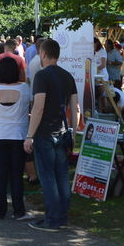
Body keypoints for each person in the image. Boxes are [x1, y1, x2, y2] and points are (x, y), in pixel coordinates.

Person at [24, 38, 80, 232]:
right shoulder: (68, 76)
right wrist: (73, 132)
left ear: (44, 54)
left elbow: (38, 107)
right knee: (62, 176)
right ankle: (61, 217)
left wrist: (29, 135)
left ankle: (52, 220)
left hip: (45, 133)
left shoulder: (41, 76)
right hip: (62, 132)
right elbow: (76, 108)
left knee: (48, 177)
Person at [0, 56, 33, 220]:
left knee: (0, 173)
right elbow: (31, 107)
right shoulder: (24, 88)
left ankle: (0, 210)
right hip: (19, 135)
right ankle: (19, 210)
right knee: (16, 174)